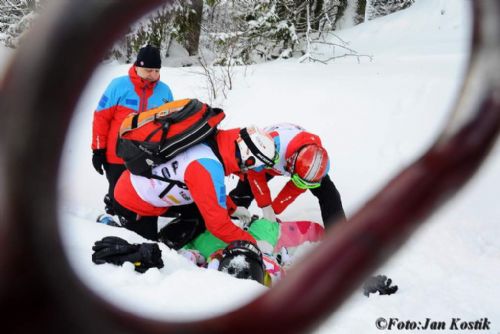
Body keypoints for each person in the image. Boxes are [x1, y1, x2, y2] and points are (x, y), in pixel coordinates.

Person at [113, 125, 278, 253]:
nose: (252, 171)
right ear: (247, 155)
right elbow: (218, 225)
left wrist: (232, 209)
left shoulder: (215, 141)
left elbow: (209, 193)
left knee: (198, 216)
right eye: (255, 165)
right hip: (133, 201)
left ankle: (171, 238)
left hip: (139, 182)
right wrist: (254, 243)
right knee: (147, 252)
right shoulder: (208, 168)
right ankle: (165, 246)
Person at [91, 45, 174, 216]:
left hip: (147, 155)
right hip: (116, 155)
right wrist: (98, 150)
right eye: (148, 70)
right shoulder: (118, 86)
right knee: (118, 194)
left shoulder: (164, 91)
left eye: (157, 70)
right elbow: (101, 118)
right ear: (137, 66)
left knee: (142, 195)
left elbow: (170, 124)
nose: (153, 75)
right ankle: (112, 214)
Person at [229, 123, 346, 228]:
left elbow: (295, 188)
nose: (299, 184)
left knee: (329, 194)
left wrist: (275, 209)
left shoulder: (316, 166)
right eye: (298, 181)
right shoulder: (272, 146)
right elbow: (255, 175)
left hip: (299, 165)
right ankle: (229, 216)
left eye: (302, 182)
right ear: (291, 163)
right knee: (245, 188)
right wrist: (265, 206)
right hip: (264, 161)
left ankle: (338, 234)